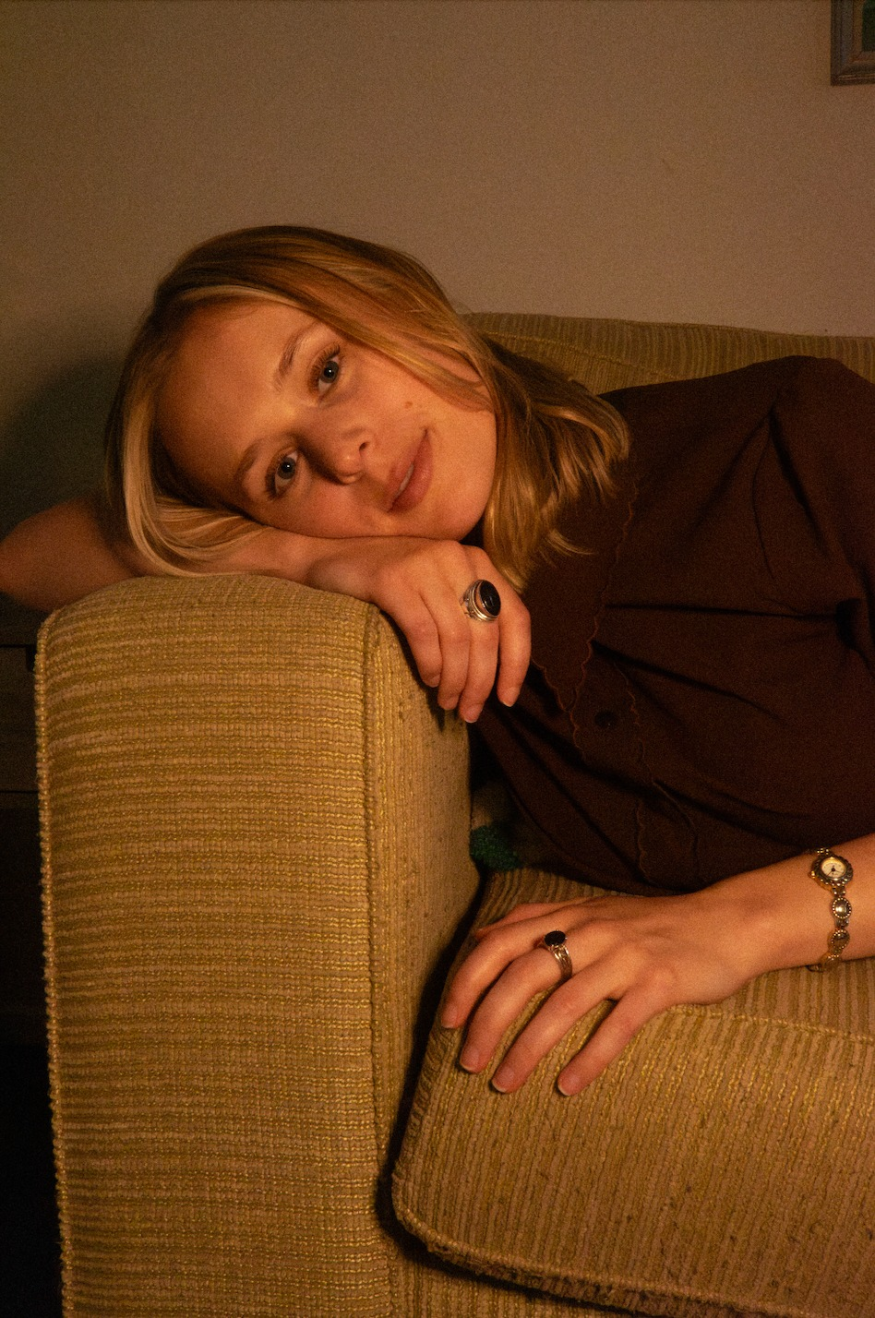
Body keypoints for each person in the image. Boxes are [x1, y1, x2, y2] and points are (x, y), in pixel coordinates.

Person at [3, 226, 875, 1100]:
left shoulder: (787, 438)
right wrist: (305, 557)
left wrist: (735, 928)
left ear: (399, 307)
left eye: (327, 370)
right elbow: (28, 559)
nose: (343, 451)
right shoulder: (442, 615)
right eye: (281, 470)